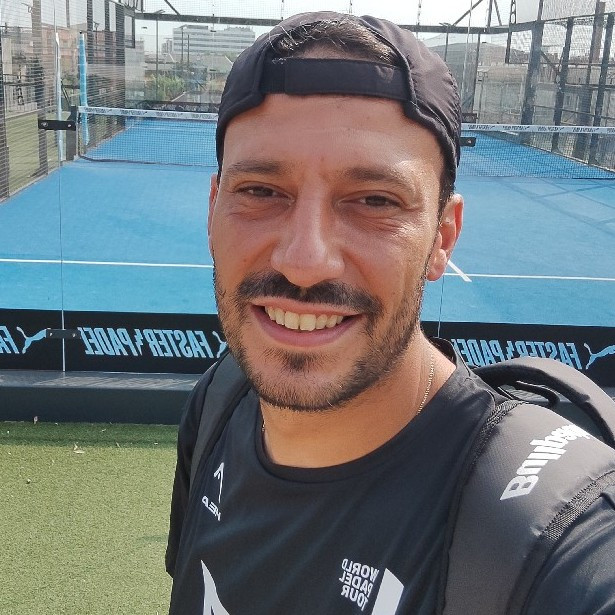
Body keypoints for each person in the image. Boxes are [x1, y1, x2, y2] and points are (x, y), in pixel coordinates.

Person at [166, 12, 615, 614]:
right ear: (213, 209)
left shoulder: (560, 536)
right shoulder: (219, 402)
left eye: (375, 201)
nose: (305, 262)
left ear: (442, 238)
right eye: (261, 191)